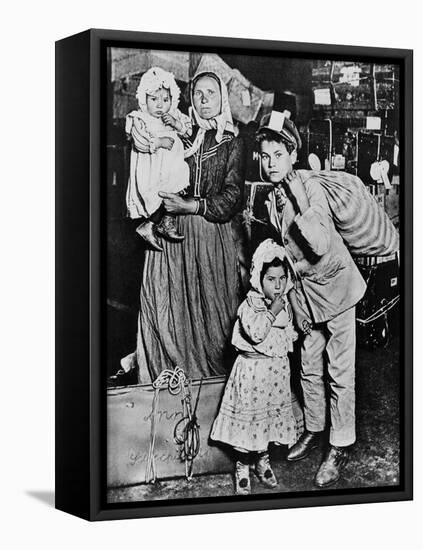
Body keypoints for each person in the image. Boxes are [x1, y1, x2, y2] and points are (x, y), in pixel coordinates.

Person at [256, 113, 367, 488]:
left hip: (337, 289)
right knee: (307, 366)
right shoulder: (272, 198)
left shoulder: (309, 187)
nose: (270, 163)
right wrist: (297, 307)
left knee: (340, 372)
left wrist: (301, 197)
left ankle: (339, 444)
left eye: (277, 155)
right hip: (308, 296)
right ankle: (316, 429)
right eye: (264, 155)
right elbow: (289, 259)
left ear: (293, 155)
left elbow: (318, 244)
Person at [119, 71, 245, 382]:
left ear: (221, 99)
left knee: (214, 319)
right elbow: (147, 141)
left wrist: (192, 205)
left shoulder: (232, 140)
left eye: (211, 93)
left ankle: (212, 391)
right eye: (198, 93)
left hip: (209, 235)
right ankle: (167, 384)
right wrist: (136, 136)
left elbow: (232, 196)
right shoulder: (179, 130)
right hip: (169, 233)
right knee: (166, 310)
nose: (203, 99)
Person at [211, 239, 298, 495]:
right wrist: (272, 311)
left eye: (282, 278)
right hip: (251, 374)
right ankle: (242, 464)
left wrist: (291, 329)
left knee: (268, 419)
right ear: (259, 279)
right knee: (249, 420)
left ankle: (263, 459)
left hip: (274, 375)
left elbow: (288, 335)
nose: (278, 285)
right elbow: (258, 333)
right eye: (271, 279)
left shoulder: (283, 303)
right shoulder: (249, 306)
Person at [125, 66, 192, 251]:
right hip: (152, 170)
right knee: (159, 195)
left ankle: (164, 222)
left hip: (172, 166)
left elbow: (188, 130)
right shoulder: (139, 118)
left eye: (165, 99)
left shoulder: (174, 114)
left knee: (179, 186)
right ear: (144, 100)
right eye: (154, 99)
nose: (160, 104)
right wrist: (159, 142)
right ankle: (149, 224)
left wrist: (177, 124)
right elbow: (139, 142)